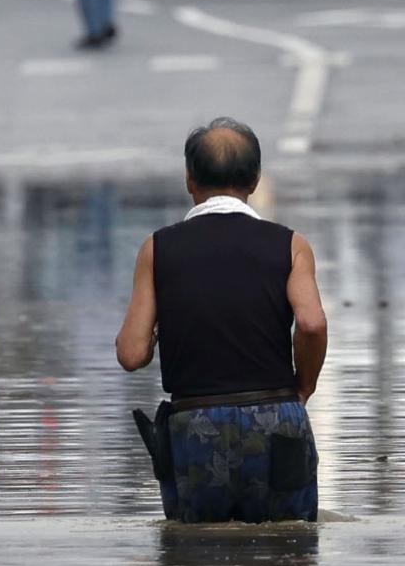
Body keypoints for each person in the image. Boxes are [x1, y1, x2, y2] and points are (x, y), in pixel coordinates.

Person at [114, 118, 326, 523]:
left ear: (189, 179)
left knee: (193, 561)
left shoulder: (158, 249)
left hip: (195, 424)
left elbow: (131, 352)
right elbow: (312, 324)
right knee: (291, 549)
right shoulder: (291, 246)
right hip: (277, 420)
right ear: (256, 179)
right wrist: (304, 386)